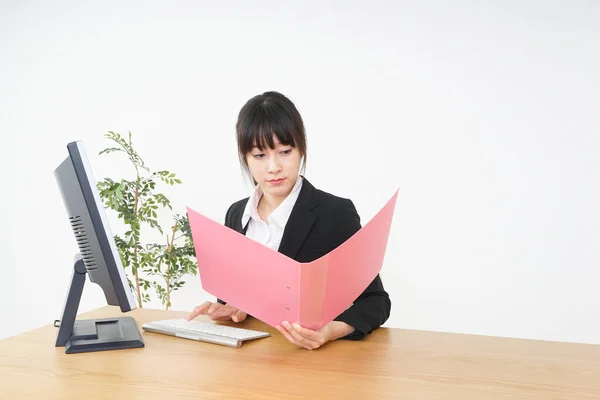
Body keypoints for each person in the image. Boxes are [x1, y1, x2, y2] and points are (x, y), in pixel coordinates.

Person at [187, 91, 391, 349]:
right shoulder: (236, 215)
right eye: (259, 155)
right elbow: (237, 302)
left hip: (308, 364)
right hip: (247, 363)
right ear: (245, 159)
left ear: (300, 150)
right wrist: (231, 310)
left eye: (284, 151)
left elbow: (376, 302)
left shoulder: (336, 213)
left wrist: (329, 331)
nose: (273, 167)